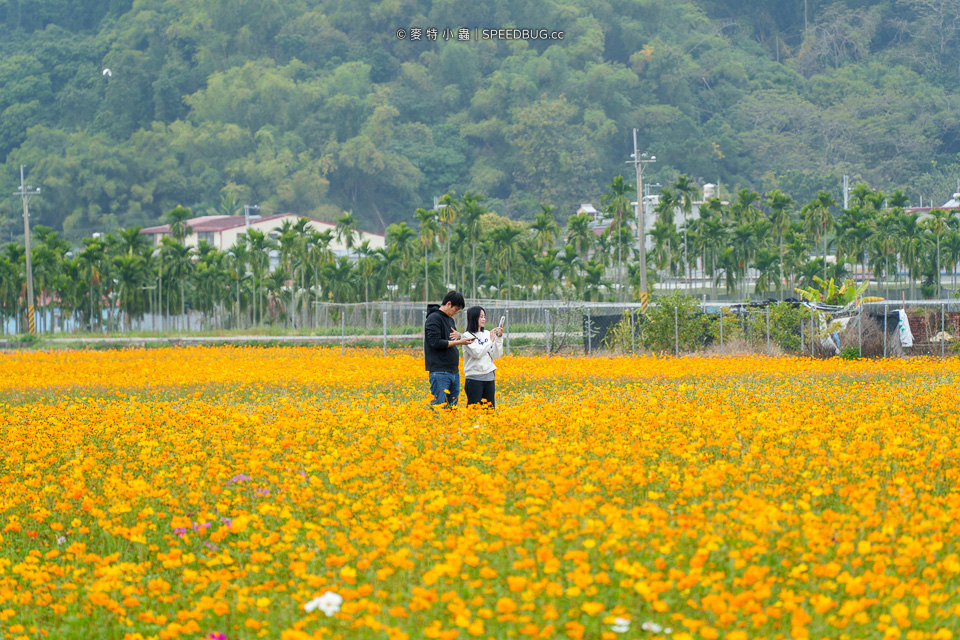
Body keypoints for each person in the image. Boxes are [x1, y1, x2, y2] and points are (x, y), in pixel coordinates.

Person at [424, 291, 473, 408]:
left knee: (452, 408)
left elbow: (452, 339)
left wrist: (459, 336)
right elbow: (435, 343)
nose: (456, 312)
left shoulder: (450, 320)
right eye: (456, 309)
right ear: (449, 304)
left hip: (453, 371)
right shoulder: (433, 318)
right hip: (440, 371)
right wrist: (460, 342)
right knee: (439, 407)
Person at [462, 306, 503, 408]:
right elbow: (477, 353)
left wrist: (498, 338)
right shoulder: (467, 336)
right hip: (474, 377)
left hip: (489, 377)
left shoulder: (487, 334)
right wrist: (490, 341)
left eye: (484, 316)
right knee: (474, 410)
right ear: (473, 318)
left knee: (489, 410)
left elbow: (496, 355)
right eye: (481, 316)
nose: (484, 319)